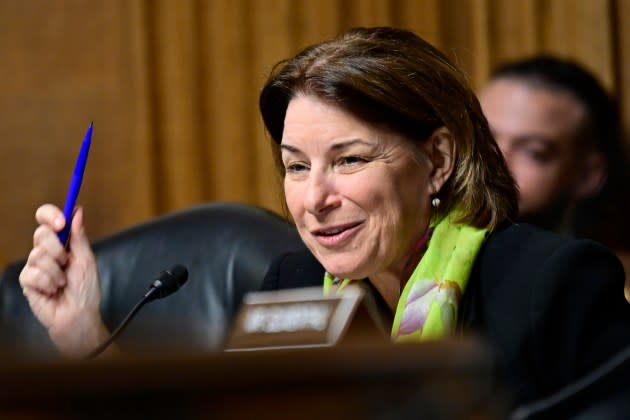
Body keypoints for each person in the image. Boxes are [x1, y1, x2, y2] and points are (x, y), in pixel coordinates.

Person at [19, 27, 630, 412]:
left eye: (350, 160)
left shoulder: (553, 283)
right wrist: (84, 336)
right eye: (295, 166)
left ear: (438, 159)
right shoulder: (292, 284)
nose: (314, 199)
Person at [478, 56, 630, 300]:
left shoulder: (607, 289)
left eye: (534, 152)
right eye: (482, 138)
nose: (494, 161)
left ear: (587, 175)